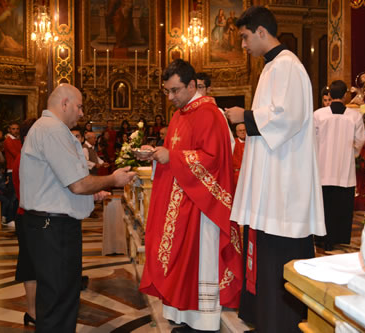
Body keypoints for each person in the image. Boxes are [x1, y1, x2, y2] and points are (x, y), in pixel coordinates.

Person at [224, 7, 325, 333]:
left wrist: (246, 116)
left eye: (244, 37)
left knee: (280, 259)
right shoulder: (271, 68)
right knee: (266, 261)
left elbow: (288, 118)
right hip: (272, 186)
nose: (242, 45)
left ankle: (281, 325)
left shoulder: (288, 67)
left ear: (261, 32)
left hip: (285, 188)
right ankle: (267, 321)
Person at [19, 83, 136, 332]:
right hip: (53, 228)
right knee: (58, 300)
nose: (82, 113)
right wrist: (113, 179)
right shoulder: (52, 130)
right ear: (64, 104)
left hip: (50, 224)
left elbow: (55, 183)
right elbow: (78, 184)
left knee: (60, 297)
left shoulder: (49, 129)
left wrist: (89, 198)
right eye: (79, 106)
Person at [139, 59, 242, 332]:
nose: (171, 97)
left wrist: (170, 156)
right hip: (180, 199)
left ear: (193, 85)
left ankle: (201, 318)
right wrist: (158, 154)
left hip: (200, 205)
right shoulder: (181, 113)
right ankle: (180, 312)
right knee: (177, 259)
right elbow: (175, 151)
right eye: (167, 91)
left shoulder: (208, 113)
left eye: (175, 90)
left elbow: (213, 159)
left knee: (197, 261)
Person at [314, 80, 365, 251]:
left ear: (329, 95)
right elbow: (360, 141)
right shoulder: (354, 116)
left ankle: (321, 238)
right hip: (344, 169)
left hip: (322, 169)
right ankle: (337, 238)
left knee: (324, 205)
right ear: (345, 95)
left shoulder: (319, 115)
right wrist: (353, 152)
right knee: (340, 206)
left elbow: (312, 141)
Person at [12, 118, 38, 327]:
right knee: (30, 265)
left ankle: (35, 310)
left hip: (30, 215)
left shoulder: (28, 155)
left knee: (35, 265)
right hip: (27, 215)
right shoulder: (25, 157)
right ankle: (32, 311)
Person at [196, 72, 235, 151]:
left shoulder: (217, 112)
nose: (196, 91)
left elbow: (229, 142)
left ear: (208, 89)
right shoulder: (186, 112)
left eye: (200, 87)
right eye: (193, 87)